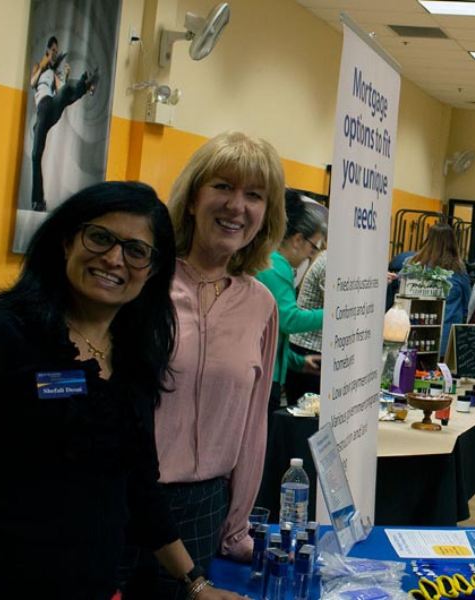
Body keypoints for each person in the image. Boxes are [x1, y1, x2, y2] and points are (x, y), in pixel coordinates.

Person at [0, 182, 241, 600]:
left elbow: (139, 485)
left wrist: (196, 584)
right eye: (100, 237)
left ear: (152, 270)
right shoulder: (6, 334)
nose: (113, 258)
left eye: (135, 250)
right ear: (67, 241)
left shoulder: (134, 359)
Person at [123, 132, 284, 599]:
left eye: (254, 195)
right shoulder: (142, 280)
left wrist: (236, 527)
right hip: (120, 497)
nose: (237, 206)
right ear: (193, 197)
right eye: (223, 187)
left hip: (200, 509)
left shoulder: (262, 304)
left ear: (266, 215)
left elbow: (254, 425)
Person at [255, 189, 326, 415]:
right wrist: (336, 314)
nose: (310, 256)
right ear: (297, 239)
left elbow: (274, 336)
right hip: (264, 382)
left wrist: (297, 361)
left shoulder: (269, 261)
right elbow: (289, 320)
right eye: (312, 248)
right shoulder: (276, 265)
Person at [29, 35, 99, 212]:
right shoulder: (39, 66)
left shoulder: (54, 74)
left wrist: (66, 76)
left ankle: (86, 83)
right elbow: (32, 82)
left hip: (51, 109)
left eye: (56, 52)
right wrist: (45, 62)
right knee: (36, 156)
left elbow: (61, 91)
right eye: (52, 50)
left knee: (67, 91)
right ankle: (38, 201)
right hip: (42, 110)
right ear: (47, 51)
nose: (54, 54)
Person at [406, 223, 471, 356]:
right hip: (446, 336)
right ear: (453, 243)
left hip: (414, 330)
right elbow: (467, 303)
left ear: (428, 240)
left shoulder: (412, 264)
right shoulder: (458, 269)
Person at [286, 248, 328, 405]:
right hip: (308, 350)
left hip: (314, 348)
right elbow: (338, 311)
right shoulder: (330, 263)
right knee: (305, 422)